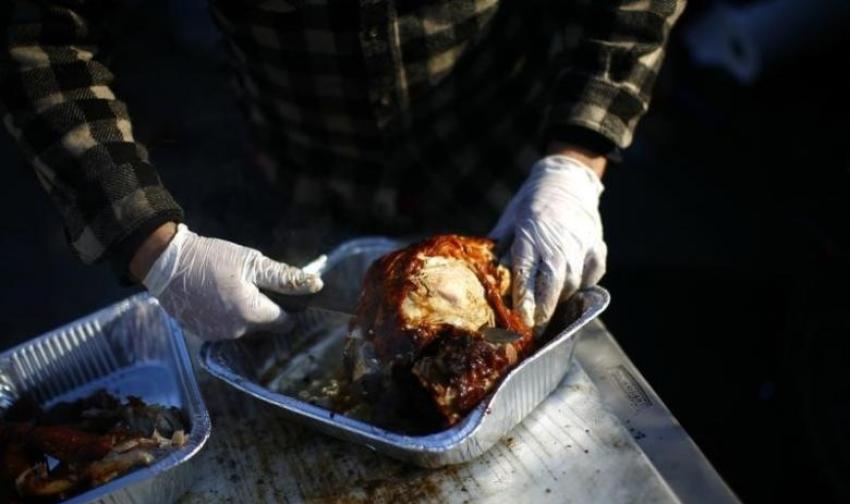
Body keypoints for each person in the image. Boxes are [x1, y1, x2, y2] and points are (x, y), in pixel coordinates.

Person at [1, 1, 685, 341]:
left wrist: (576, 159)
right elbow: (33, 30)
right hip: (302, 165)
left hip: (504, 160)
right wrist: (155, 246)